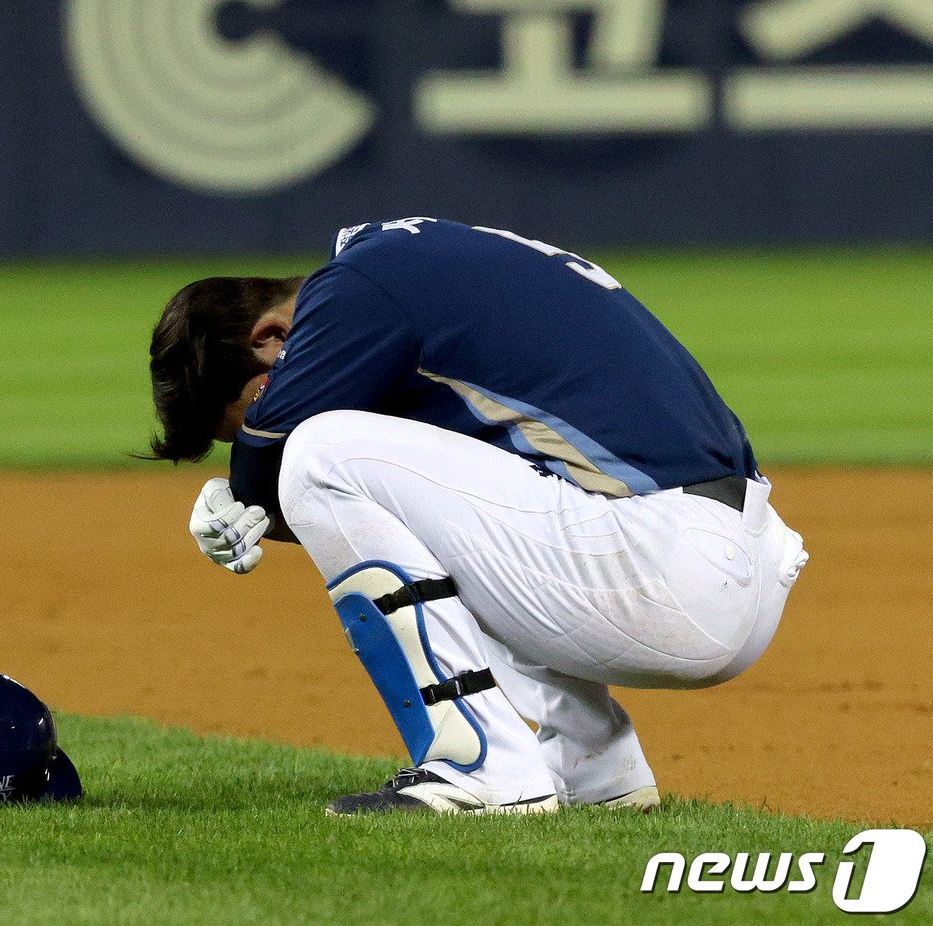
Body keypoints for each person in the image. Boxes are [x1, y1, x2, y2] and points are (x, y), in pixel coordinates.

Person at [144, 217, 808, 816]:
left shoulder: (355, 287)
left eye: (258, 403)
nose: (267, 419)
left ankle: (481, 763)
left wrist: (243, 491)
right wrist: (257, 490)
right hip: (716, 554)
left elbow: (276, 466)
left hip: (660, 561)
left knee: (317, 453)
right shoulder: (408, 262)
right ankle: (594, 764)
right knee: (409, 497)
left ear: (272, 335)